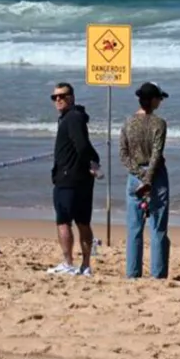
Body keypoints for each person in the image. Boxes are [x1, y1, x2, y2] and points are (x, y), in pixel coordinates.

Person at [49, 82, 100, 276]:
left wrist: (93, 161)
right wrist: (94, 161)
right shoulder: (73, 118)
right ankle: (84, 265)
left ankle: (70, 263)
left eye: (62, 96)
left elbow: (82, 146)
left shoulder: (72, 118)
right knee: (82, 222)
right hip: (80, 179)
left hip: (69, 179)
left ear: (71, 97)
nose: (58, 100)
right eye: (55, 97)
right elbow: (85, 146)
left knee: (65, 222)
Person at [120, 82, 170, 279]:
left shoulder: (128, 122)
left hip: (135, 175)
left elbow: (123, 155)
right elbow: (156, 155)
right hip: (155, 175)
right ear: (152, 100)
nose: (160, 101)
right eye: (159, 98)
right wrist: (148, 179)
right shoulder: (159, 123)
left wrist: (139, 175)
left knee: (134, 227)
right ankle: (157, 274)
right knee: (157, 227)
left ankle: (132, 272)